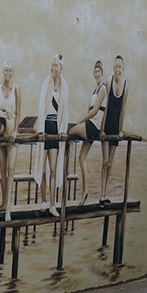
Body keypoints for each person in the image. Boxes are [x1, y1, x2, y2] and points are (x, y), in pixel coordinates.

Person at [68, 60, 108, 206]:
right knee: (81, 158)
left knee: (70, 131)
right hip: (90, 125)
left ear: (102, 73)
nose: (97, 74)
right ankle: (85, 191)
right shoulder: (95, 90)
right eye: (95, 71)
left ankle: (66, 162)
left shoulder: (103, 88)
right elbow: (89, 109)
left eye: (99, 72)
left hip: (94, 126)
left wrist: (80, 121)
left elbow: (95, 111)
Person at [34, 54, 69, 218]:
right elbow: (41, 106)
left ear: (61, 68)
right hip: (45, 126)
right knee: (42, 167)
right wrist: (41, 130)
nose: (53, 68)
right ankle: (43, 201)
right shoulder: (45, 83)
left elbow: (65, 109)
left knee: (53, 169)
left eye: (56, 65)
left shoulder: (64, 85)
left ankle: (53, 205)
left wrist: (63, 130)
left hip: (56, 128)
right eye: (52, 65)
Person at [0, 59, 21, 222]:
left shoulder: (16, 88)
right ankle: (3, 203)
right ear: (3, 72)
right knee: (2, 171)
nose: (8, 73)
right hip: (0, 131)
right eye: (6, 70)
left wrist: (16, 130)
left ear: (13, 73)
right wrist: (3, 109)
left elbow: (19, 111)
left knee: (11, 170)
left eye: (10, 70)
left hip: (11, 133)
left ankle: (8, 206)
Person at [99, 55, 129, 206]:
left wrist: (121, 130)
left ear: (123, 68)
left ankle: (106, 194)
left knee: (110, 163)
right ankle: (102, 195)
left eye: (120, 67)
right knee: (105, 161)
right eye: (116, 67)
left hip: (116, 128)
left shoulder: (126, 85)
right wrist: (102, 129)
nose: (118, 70)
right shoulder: (108, 81)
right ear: (113, 68)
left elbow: (123, 108)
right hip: (106, 126)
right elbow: (105, 107)